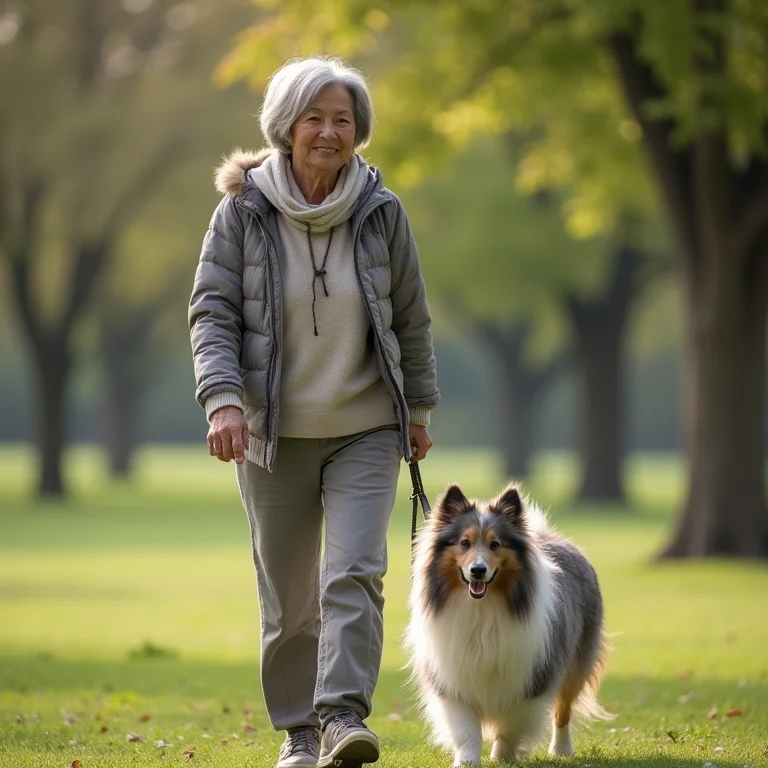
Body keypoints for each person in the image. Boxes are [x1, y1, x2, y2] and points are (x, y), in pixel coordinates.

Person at [188, 56, 439, 768]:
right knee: (290, 596)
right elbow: (212, 313)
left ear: (358, 132)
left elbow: (412, 318)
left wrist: (416, 408)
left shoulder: (380, 210)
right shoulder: (242, 211)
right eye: (315, 118)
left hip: (365, 425)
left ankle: (342, 719)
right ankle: (299, 733)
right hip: (273, 432)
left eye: (343, 120)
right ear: (285, 127)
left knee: (356, 570)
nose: (330, 132)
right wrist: (225, 401)